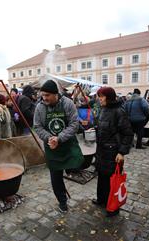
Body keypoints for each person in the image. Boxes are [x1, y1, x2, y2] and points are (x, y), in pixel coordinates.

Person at [33, 79, 84, 213]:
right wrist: (50, 138)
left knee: (78, 163)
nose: (44, 98)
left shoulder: (68, 103)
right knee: (56, 177)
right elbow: (37, 127)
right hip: (51, 147)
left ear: (55, 94)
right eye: (42, 95)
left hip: (67, 143)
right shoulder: (40, 107)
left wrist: (60, 138)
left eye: (47, 95)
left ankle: (71, 170)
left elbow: (74, 124)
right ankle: (62, 201)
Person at [92, 86, 133, 217]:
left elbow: (128, 134)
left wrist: (121, 152)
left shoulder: (119, 112)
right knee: (102, 177)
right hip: (102, 151)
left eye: (102, 96)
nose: (99, 99)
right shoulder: (103, 110)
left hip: (114, 153)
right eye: (99, 96)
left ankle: (113, 207)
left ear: (109, 97)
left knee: (112, 180)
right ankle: (102, 200)